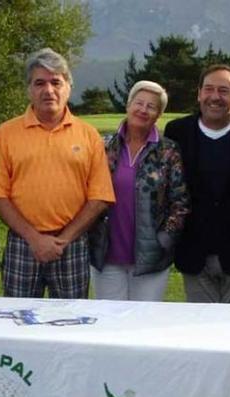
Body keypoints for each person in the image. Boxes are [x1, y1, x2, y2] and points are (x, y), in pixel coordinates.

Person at [0, 48, 115, 299]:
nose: (48, 90)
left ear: (68, 86)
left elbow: (99, 197)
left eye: (56, 82)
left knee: (70, 326)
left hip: (72, 244)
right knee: (17, 321)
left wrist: (63, 240)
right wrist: (35, 239)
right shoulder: (6, 134)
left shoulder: (88, 135)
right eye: (39, 83)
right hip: (23, 244)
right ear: (29, 89)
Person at [164, 65, 230, 303]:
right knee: (201, 332)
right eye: (208, 89)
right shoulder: (177, 131)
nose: (215, 97)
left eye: (224, 90)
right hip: (193, 250)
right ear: (199, 93)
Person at [89, 81, 189, 301]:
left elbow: (180, 203)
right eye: (139, 103)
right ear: (128, 105)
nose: (143, 110)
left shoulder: (168, 151)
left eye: (151, 106)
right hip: (106, 257)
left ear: (159, 114)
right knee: (109, 324)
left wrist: (163, 239)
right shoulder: (102, 147)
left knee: (143, 325)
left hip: (151, 260)